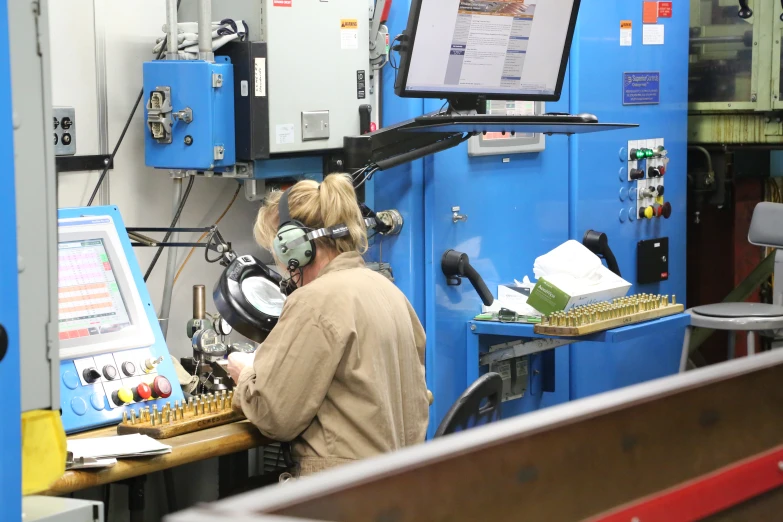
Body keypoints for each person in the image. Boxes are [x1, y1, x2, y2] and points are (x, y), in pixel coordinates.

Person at [227, 173, 429, 477]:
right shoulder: (389, 291)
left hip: (343, 493)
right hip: (399, 488)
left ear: (293, 248)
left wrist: (246, 377)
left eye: (277, 253)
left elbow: (275, 416)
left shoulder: (314, 301)